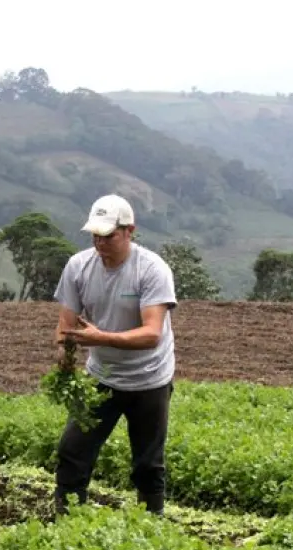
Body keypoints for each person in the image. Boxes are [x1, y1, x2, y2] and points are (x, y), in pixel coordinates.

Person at [52, 193, 178, 516]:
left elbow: (152, 333)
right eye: (95, 234)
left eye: (107, 235)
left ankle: (151, 529)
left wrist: (100, 338)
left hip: (149, 379)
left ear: (129, 231)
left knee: (148, 464)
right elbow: (66, 326)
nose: (100, 242)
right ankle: (66, 525)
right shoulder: (79, 267)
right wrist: (65, 364)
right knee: (72, 453)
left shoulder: (151, 270)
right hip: (102, 377)